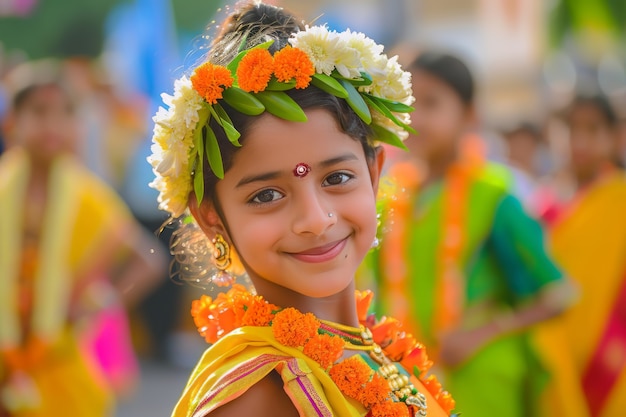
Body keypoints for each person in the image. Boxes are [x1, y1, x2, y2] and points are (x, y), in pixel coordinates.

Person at [150, 2, 456, 416]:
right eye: (266, 195)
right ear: (211, 219)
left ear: (374, 172)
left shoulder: (372, 348)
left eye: (336, 179)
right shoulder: (260, 395)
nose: (315, 219)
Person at [360, 52, 576, 417]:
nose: (416, 117)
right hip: (405, 381)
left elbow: (558, 294)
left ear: (470, 115)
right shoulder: (385, 199)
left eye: (432, 103)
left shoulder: (494, 195)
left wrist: (481, 334)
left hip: (482, 377)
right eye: (407, 103)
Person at [0, 60, 165, 416]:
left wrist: (99, 304)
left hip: (61, 357)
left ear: (78, 125)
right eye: (39, 112)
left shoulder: (87, 197)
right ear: (12, 122)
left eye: (64, 114)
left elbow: (149, 258)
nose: (52, 125)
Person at [542, 93, 626, 417]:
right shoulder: (546, 206)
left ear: (613, 137)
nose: (580, 141)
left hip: (613, 356)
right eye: (571, 130)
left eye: (592, 130)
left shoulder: (619, 198)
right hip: (556, 355)